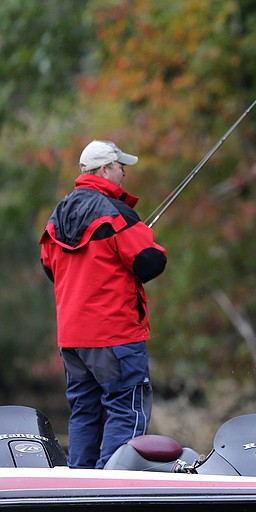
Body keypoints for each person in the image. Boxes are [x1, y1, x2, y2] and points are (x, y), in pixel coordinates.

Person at [39, 140, 167, 469]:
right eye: (120, 166)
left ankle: (80, 487)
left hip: (73, 339)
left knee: (85, 412)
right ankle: (112, 486)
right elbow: (149, 262)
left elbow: (48, 265)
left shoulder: (58, 214)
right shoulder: (116, 212)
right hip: (114, 334)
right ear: (105, 170)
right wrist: (150, 241)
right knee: (127, 409)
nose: (124, 172)